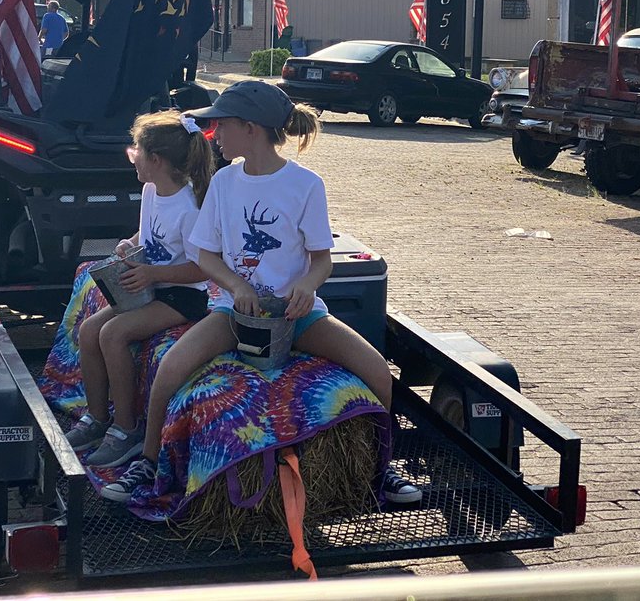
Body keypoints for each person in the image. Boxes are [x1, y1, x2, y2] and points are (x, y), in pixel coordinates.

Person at [102, 80, 422, 505]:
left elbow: (321, 259)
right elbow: (208, 256)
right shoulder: (223, 183)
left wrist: (307, 288)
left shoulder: (306, 185)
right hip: (231, 312)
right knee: (170, 370)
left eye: (222, 126)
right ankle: (147, 460)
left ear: (250, 128)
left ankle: (382, 469)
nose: (214, 135)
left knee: (378, 371)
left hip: (295, 315)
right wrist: (236, 286)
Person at [63, 110, 216, 468]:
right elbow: (147, 234)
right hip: (150, 287)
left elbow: (200, 268)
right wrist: (128, 243)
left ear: (157, 160)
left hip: (182, 296)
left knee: (113, 335)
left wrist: (150, 274)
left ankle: (125, 429)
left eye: (137, 151)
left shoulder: (190, 206)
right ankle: (97, 418)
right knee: (89, 331)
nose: (132, 156)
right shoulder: (150, 190)